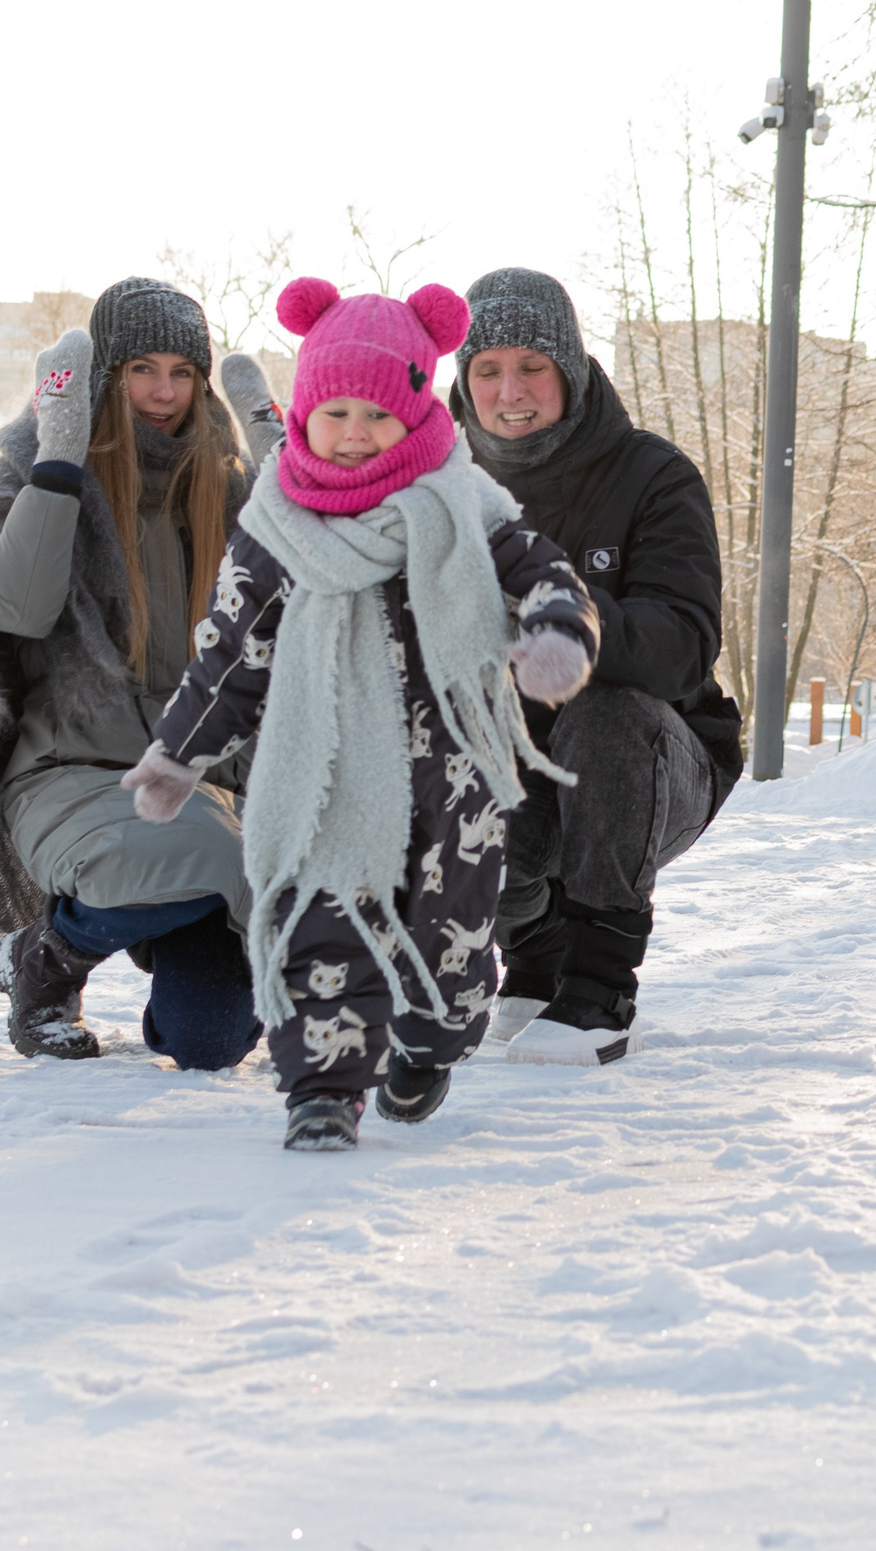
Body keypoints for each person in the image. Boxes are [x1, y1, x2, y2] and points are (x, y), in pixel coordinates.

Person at [120, 278, 598, 1151]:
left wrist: (556, 634)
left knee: (448, 957)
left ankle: (430, 1044)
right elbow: (232, 653)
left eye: (375, 416)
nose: (352, 434)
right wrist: (177, 755)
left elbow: (546, 574)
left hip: (452, 789)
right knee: (323, 923)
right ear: (304, 413)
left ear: (416, 413)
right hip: (327, 771)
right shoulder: (276, 526)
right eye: (333, 412)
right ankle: (324, 1090)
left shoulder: (466, 507)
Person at [0, 276, 290, 1068]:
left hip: (199, 780)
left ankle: (131, 927)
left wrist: (287, 487)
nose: (164, 392)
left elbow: (303, 626)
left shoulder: (229, 487)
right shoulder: (24, 474)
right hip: (68, 771)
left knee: (208, 1040)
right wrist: (60, 463)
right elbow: (16, 614)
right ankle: (48, 962)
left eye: (182, 371)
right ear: (107, 376)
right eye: (142, 369)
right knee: (212, 852)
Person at [445, 268, 740, 1066]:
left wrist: (564, 614)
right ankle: (533, 952)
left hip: (650, 760)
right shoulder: (432, 490)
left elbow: (682, 644)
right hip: (512, 752)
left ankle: (599, 984)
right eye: (489, 369)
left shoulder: (652, 476)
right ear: (462, 379)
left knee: (605, 713)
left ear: (569, 371)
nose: (511, 391)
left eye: (533, 366)